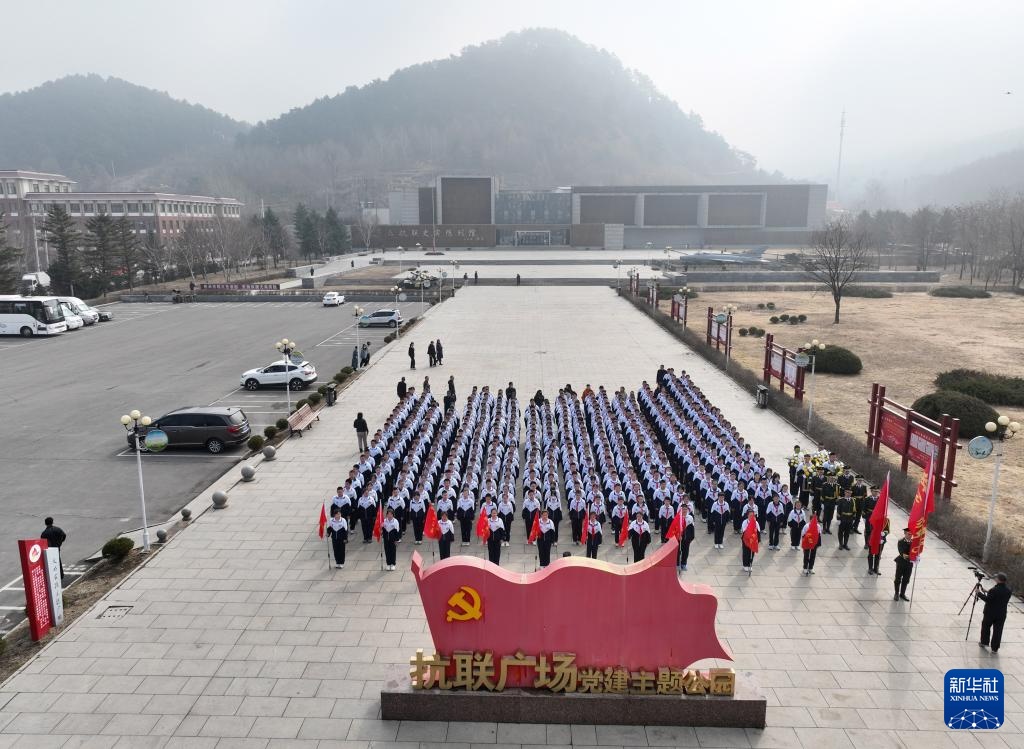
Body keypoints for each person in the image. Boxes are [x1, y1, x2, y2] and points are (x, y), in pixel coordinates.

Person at [978, 573, 1012, 653]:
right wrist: (987, 591)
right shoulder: (1008, 590)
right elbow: (998, 596)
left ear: (998, 579)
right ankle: (995, 648)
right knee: (998, 631)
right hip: (1001, 614)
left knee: (986, 627)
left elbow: (988, 600)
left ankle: (984, 642)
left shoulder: (994, 590)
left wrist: (979, 593)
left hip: (990, 613)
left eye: (996, 577)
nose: (995, 578)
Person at [894, 528, 913, 601]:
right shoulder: (901, 541)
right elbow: (902, 553)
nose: (910, 536)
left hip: (909, 564)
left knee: (906, 579)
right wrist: (911, 557)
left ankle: (902, 594)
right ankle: (896, 593)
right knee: (898, 578)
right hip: (901, 562)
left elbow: (916, 551)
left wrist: (916, 557)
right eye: (908, 534)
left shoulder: (914, 542)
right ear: (905, 533)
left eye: (911, 534)